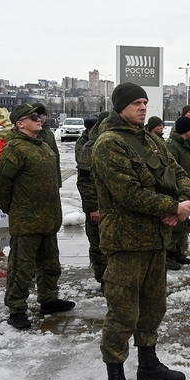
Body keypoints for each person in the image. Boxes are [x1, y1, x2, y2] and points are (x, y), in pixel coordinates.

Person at [92, 82, 190, 380]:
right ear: (120, 106)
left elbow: (178, 172)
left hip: (155, 240)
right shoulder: (109, 143)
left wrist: (184, 199)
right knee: (122, 313)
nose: (142, 107)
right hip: (125, 242)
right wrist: (171, 208)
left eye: (145, 102)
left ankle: (148, 364)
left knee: (153, 307)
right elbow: (128, 193)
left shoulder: (150, 139)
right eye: (135, 102)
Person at [0, 103, 74, 330]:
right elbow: (1, 185)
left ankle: (49, 299)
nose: (40, 119)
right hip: (27, 220)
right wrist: (15, 209)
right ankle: (16, 308)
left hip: (48, 219)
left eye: (39, 116)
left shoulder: (42, 146)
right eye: (33, 117)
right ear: (20, 124)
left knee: (50, 264)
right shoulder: (14, 149)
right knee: (22, 268)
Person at [76, 112, 109, 289]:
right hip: (97, 208)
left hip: (113, 209)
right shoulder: (90, 147)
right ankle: (103, 279)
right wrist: (93, 208)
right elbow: (85, 182)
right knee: (98, 245)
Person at [165, 116, 190, 270]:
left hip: (184, 189)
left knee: (182, 224)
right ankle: (168, 254)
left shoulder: (185, 144)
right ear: (186, 130)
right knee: (174, 224)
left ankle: (177, 251)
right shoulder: (172, 145)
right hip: (175, 190)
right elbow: (170, 170)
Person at [32, 102, 61, 187]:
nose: (42, 117)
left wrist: (57, 181)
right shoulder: (27, 133)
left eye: (44, 114)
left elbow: (56, 156)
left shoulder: (48, 133)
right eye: (39, 114)